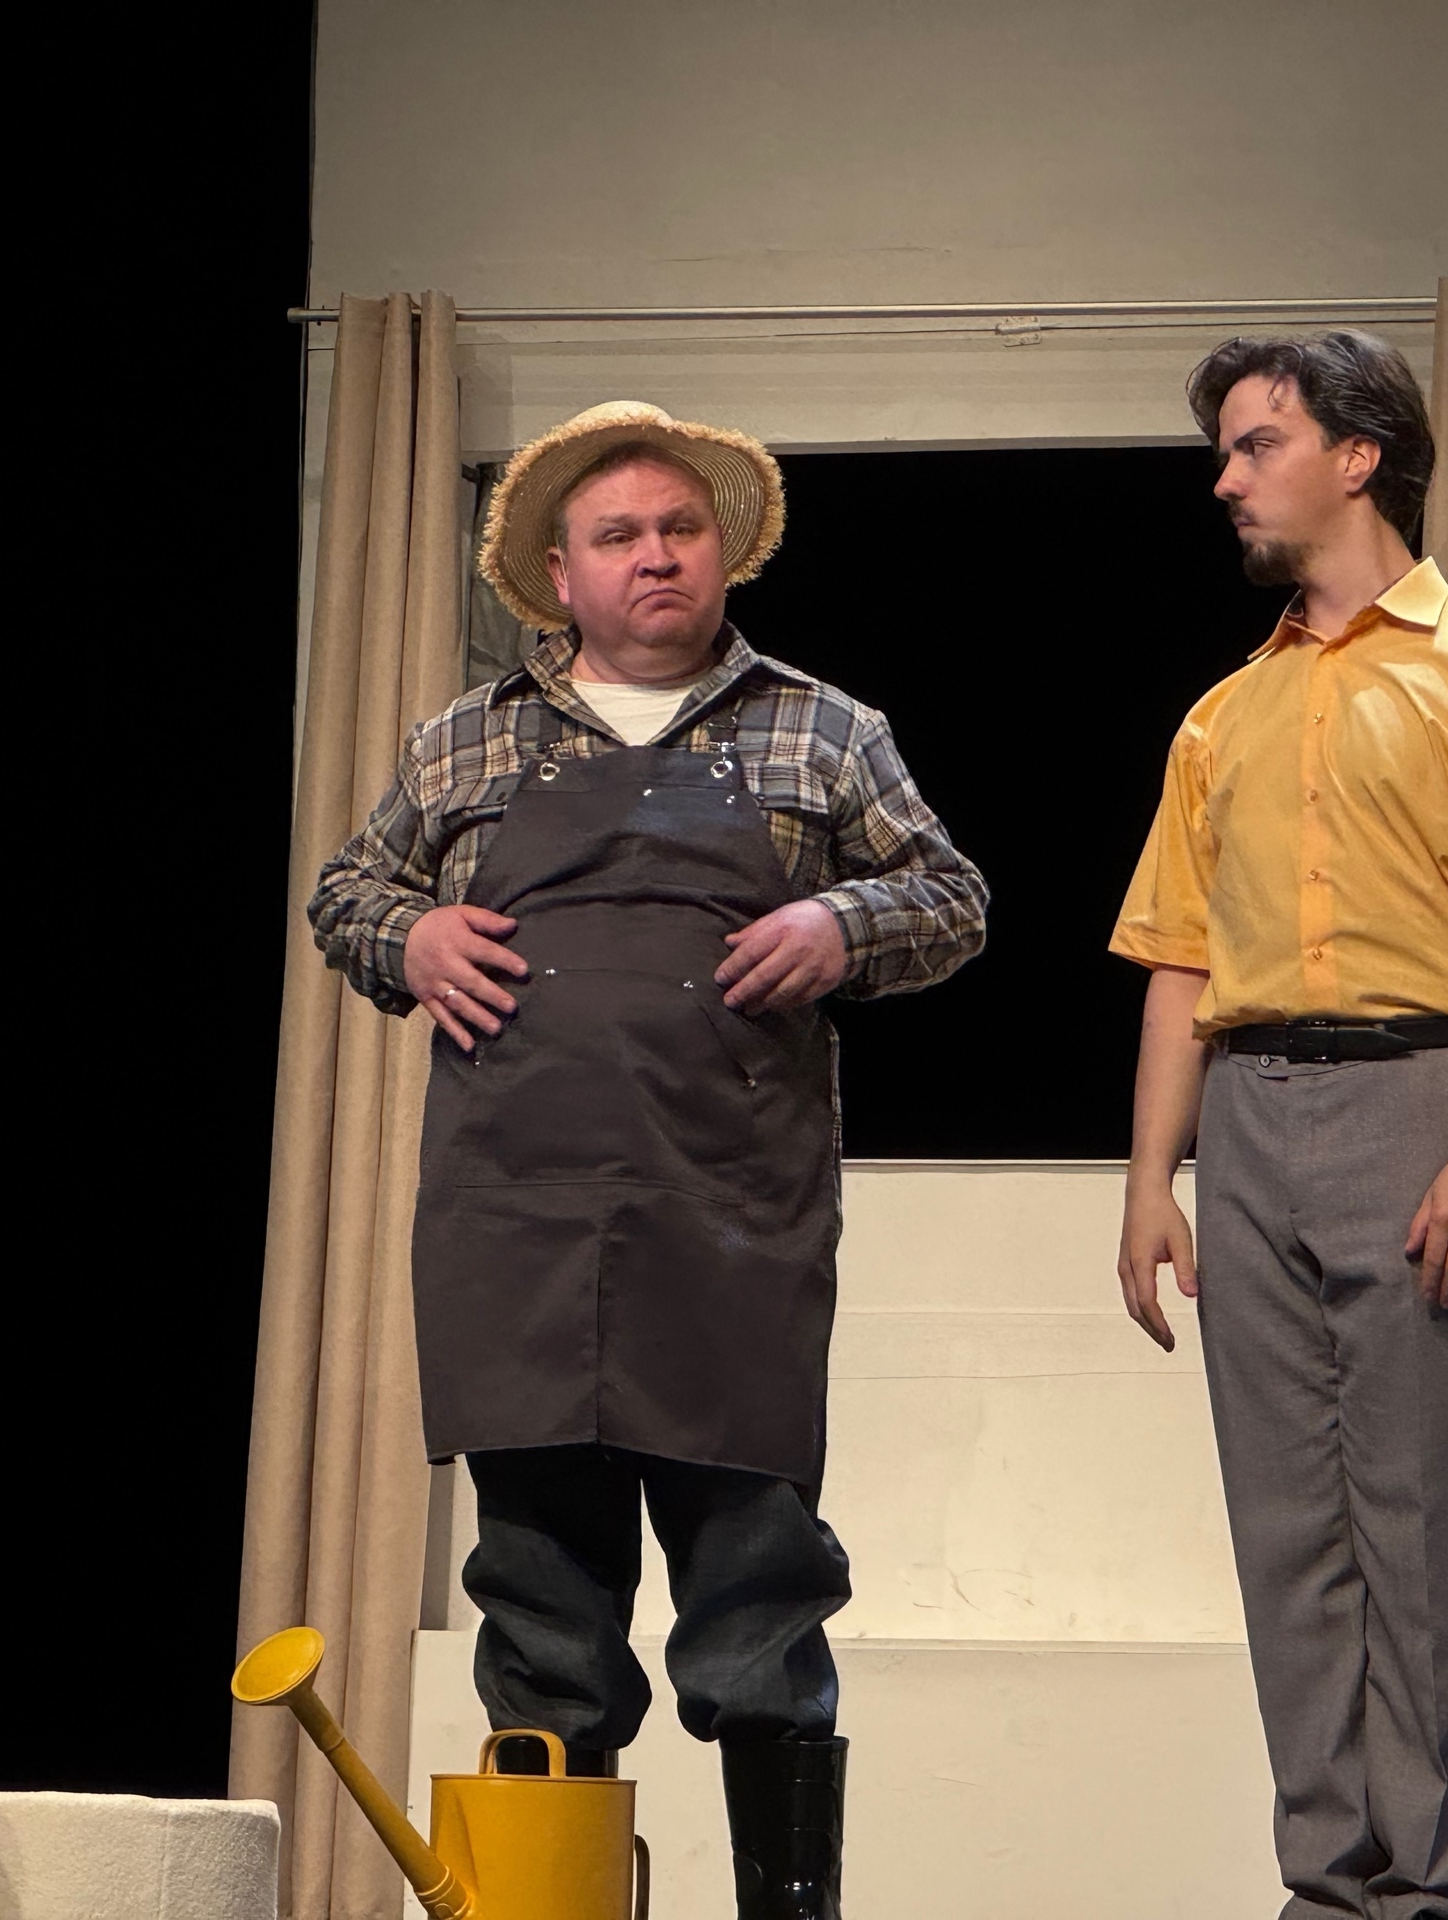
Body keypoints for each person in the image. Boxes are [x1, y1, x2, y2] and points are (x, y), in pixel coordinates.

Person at [311, 400, 986, 1920]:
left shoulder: (823, 729)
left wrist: (841, 922)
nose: (656, 556)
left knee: (760, 1609)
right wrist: (411, 936)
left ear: (723, 551)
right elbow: (346, 892)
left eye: (681, 529)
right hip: (518, 1227)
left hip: (729, 1228)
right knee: (541, 1620)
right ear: (561, 575)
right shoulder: (467, 740)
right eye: (618, 536)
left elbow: (952, 896)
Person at [1110, 332, 1448, 1920]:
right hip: (1249, 1120)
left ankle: (1421, 1891)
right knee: (1287, 1539)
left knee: (1413, 1524)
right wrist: (1152, 1181)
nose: (1227, 478)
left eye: (1258, 444)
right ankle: (1324, 1889)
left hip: (1418, 1094)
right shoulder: (1219, 716)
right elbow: (1181, 962)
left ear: (1358, 455)